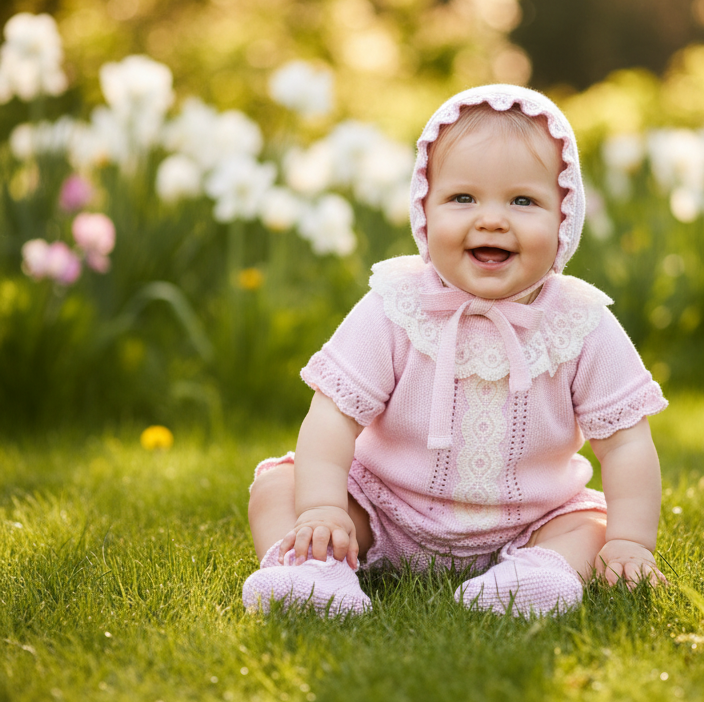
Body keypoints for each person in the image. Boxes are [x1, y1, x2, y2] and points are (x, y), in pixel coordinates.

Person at [244, 84, 667, 618]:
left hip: (531, 520)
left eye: (523, 201)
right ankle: (312, 573)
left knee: (588, 525)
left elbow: (625, 444)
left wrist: (629, 542)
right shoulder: (396, 305)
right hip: (383, 509)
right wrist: (324, 507)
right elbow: (332, 415)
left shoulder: (581, 323)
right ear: (424, 208)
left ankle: (534, 576)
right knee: (279, 488)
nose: (491, 220)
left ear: (566, 216)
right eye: (463, 198)